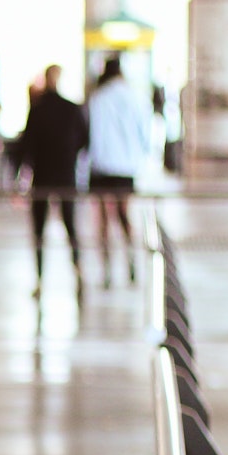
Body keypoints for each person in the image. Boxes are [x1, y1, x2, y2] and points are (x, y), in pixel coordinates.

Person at [20, 65, 89, 298]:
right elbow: (83, 140)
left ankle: (40, 279)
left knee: (39, 229)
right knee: (71, 225)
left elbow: (27, 144)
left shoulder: (38, 109)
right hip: (66, 176)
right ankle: (78, 271)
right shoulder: (72, 109)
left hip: (42, 177)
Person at [86, 56, 151, 287]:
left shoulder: (98, 98)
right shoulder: (135, 97)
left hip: (101, 166)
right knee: (125, 216)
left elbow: (91, 135)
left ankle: (106, 269)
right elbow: (145, 134)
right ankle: (131, 261)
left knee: (103, 221)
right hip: (125, 167)